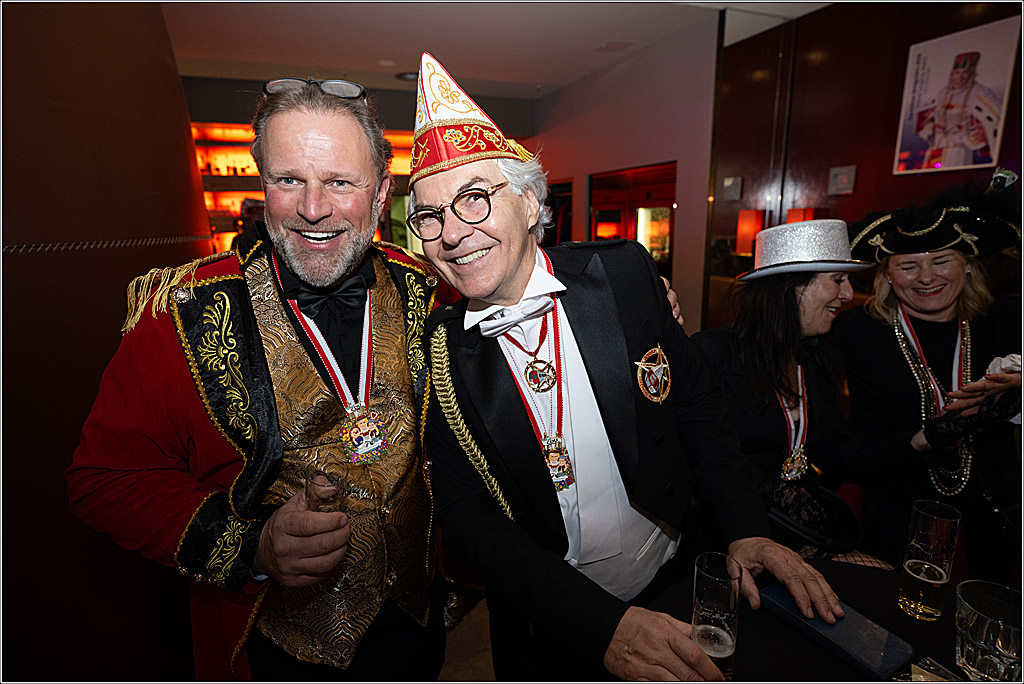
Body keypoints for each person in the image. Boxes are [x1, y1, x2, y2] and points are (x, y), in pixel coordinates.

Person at [409, 52, 843, 681]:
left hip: (674, 575)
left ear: (530, 205)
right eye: (430, 215)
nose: (452, 233)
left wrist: (744, 527)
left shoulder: (623, 276)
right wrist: (597, 625)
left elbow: (696, 404)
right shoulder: (437, 354)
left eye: (474, 200)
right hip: (553, 622)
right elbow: (472, 524)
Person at [66, 78, 460, 680]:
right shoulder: (180, 313)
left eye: (339, 182)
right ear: (263, 186)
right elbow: (102, 480)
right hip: (271, 650)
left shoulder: (429, 290)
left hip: (417, 631)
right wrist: (251, 547)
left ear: (381, 195)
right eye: (288, 180)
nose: (312, 208)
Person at [832, 171, 1022, 588]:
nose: (926, 277)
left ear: (968, 267)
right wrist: (924, 438)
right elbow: (836, 446)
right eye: (907, 265)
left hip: (994, 528)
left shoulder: (1007, 322)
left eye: (941, 261)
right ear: (886, 275)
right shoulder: (855, 333)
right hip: (894, 522)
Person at [692, 220, 874, 560]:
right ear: (791, 288)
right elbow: (699, 458)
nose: (848, 293)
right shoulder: (711, 355)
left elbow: (835, 448)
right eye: (838, 279)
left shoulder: (817, 356)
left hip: (797, 536)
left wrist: (920, 440)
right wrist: (768, 490)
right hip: (728, 542)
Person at [913, 51, 1002, 169]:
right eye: (957, 72)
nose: (959, 77)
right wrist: (928, 129)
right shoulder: (944, 92)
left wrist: (982, 132)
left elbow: (998, 115)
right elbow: (934, 115)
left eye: (965, 73)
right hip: (935, 146)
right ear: (952, 74)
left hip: (958, 147)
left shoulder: (979, 92)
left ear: (972, 74)